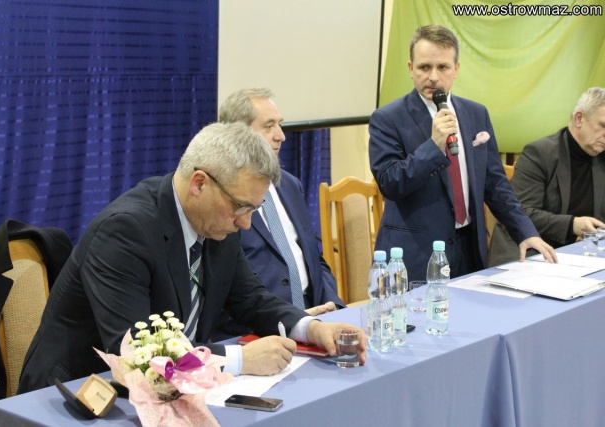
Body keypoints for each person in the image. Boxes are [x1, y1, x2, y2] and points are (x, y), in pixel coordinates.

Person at [17, 122, 366, 393]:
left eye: (253, 209)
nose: (245, 223)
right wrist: (240, 359)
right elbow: (137, 356)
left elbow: (252, 300)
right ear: (199, 183)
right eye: (240, 207)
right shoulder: (125, 231)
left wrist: (313, 329)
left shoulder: (217, 222)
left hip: (173, 392)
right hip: (80, 393)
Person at [368, 24, 556, 282]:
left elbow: (495, 184)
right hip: (416, 255)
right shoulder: (388, 118)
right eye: (424, 67)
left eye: (443, 67)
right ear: (411, 68)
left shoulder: (476, 114)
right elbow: (390, 183)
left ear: (456, 69)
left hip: (469, 248)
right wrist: (434, 146)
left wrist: (525, 232)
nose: (433, 77)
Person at [213, 88, 344, 340]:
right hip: (259, 333)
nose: (281, 136)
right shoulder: (222, 197)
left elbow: (313, 257)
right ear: (237, 134)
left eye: (280, 124)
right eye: (268, 126)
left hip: (315, 319)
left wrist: (333, 306)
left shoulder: (290, 184)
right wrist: (291, 321)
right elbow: (223, 288)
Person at [489, 87, 605, 265]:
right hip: (532, 252)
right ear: (579, 118)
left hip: (583, 254)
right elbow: (520, 211)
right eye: (603, 126)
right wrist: (572, 225)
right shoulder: (539, 153)